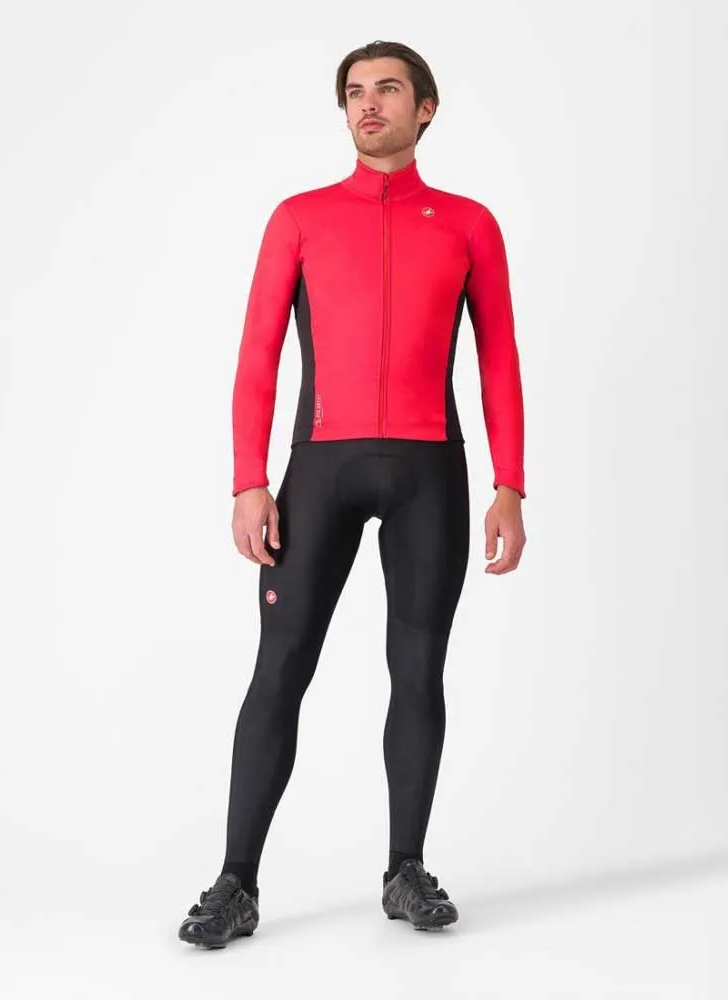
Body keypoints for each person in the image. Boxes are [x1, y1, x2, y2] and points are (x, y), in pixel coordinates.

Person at [179, 39, 526, 949]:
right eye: (354, 92)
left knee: (417, 671)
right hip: (320, 472)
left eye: (388, 90)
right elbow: (258, 355)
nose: (368, 104)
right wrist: (248, 480)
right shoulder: (299, 217)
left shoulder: (468, 224)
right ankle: (236, 884)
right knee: (279, 670)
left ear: (425, 108)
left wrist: (510, 484)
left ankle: (406, 871)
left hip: (430, 474)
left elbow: (498, 357)